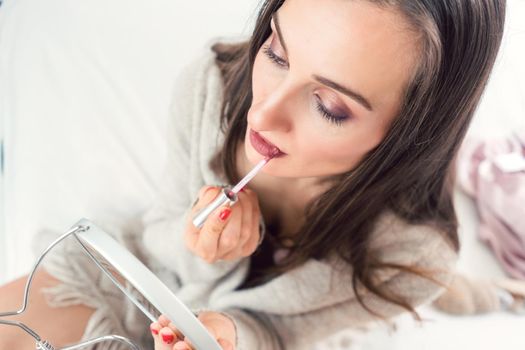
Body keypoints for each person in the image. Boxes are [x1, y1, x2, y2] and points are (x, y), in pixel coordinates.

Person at [0, 0, 514, 349]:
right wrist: (199, 248)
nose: (263, 116)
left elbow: (284, 333)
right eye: (276, 53)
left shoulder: (411, 260)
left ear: (407, 133)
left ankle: (492, 294)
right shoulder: (212, 90)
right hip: (137, 272)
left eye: (330, 106)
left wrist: (230, 333)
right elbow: (157, 240)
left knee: (453, 295)